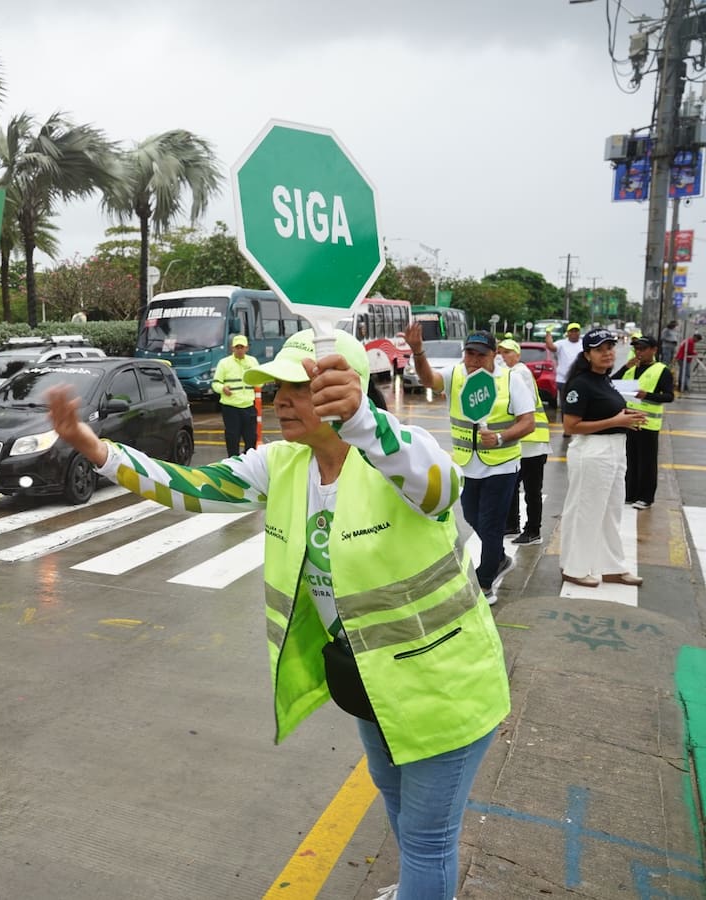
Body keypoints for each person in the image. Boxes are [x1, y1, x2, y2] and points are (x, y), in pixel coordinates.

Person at [45, 330, 509, 900]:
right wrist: (97, 450)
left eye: (298, 388)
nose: (280, 401)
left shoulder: (401, 453)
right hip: (372, 684)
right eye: (276, 389)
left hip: (445, 685)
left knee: (429, 838)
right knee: (399, 813)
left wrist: (364, 421)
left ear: (344, 389)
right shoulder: (284, 463)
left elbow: (441, 487)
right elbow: (192, 486)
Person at [406, 325, 536, 605]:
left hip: (502, 464)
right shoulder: (456, 375)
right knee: (471, 515)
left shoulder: (511, 379)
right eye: (469, 353)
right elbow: (428, 380)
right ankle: (499, 558)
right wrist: (418, 351)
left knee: (490, 523)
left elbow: (528, 422)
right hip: (467, 463)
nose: (474, 359)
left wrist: (501, 437)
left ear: (493, 355)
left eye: (481, 354)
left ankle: (486, 581)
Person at [558, 328, 646, 588]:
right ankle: (574, 568)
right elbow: (570, 426)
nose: (607, 353)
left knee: (611, 511)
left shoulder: (605, 380)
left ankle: (610, 567)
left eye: (610, 347)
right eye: (599, 349)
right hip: (593, 452)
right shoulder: (580, 384)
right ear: (587, 354)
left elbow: (604, 410)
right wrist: (616, 420)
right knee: (585, 510)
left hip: (616, 449)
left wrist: (627, 416)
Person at [498, 339, 550, 545]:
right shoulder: (510, 374)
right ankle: (512, 524)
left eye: (508, 352)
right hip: (520, 443)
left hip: (533, 442)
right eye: (500, 352)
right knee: (511, 485)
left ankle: (533, 530)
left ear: (517, 355)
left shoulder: (519, 372)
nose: (502, 356)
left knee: (532, 490)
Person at [614, 334, 674, 510]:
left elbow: (669, 396)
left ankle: (646, 497)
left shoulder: (661, 370)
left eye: (643, 348)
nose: (639, 352)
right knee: (630, 460)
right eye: (636, 349)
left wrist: (647, 395)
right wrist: (626, 366)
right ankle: (630, 493)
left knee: (646, 462)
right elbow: (612, 382)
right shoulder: (632, 369)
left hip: (648, 423)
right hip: (629, 421)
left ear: (654, 350)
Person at [211, 334, 258, 456]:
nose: (240, 350)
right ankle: (233, 462)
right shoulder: (224, 363)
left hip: (248, 406)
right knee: (232, 437)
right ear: (232, 348)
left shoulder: (252, 362)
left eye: (242, 347)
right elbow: (215, 383)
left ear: (247, 348)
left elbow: (260, 381)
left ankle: (249, 462)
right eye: (237, 347)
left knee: (251, 437)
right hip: (230, 407)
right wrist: (223, 388)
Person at [545, 322, 582, 421]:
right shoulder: (562, 343)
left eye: (576, 331)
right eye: (571, 331)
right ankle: (567, 428)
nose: (574, 333)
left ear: (579, 332)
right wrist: (548, 332)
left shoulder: (583, 344)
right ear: (567, 333)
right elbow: (550, 346)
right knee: (565, 406)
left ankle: (579, 426)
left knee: (580, 404)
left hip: (580, 380)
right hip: (563, 380)